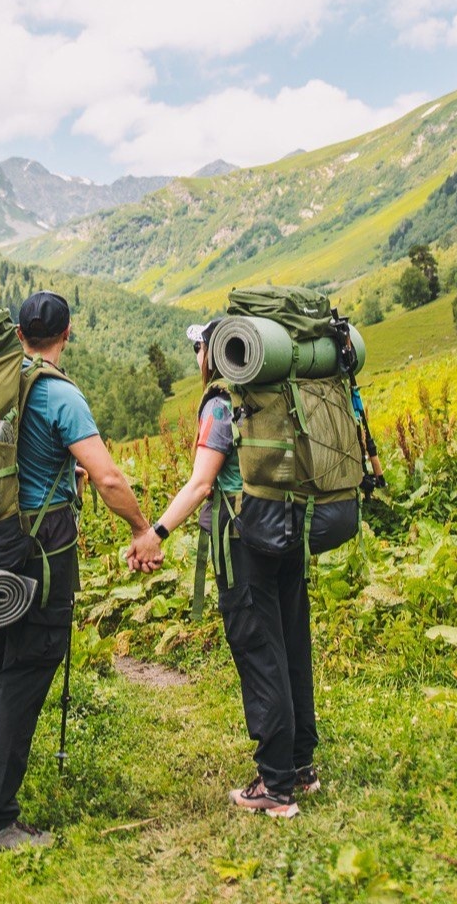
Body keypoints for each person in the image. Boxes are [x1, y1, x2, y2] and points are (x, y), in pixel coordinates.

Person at [0, 290, 163, 848]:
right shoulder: (58, 393)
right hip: (42, 547)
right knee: (27, 667)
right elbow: (108, 478)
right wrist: (141, 529)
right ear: (66, 333)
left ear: (20, 333)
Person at [128, 319, 319, 818]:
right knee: (292, 644)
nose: (197, 355)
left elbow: (200, 485)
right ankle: (300, 765)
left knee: (260, 653)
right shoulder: (275, 393)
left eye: (198, 346)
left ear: (215, 352)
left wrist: (156, 533)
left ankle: (276, 787)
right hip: (289, 529)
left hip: (244, 541)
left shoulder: (221, 403)